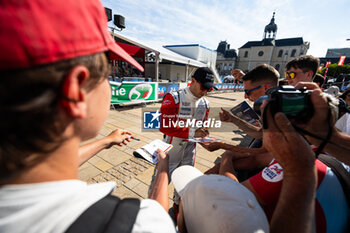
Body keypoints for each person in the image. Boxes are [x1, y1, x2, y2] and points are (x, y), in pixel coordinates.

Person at [0, 1, 176, 232]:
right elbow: (156, 220)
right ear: (77, 91)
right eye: (107, 74)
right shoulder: (135, 225)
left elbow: (40, 162)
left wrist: (105, 141)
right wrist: (163, 170)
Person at [149, 67, 216, 215]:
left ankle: (178, 210)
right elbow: (164, 126)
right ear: (193, 81)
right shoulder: (173, 98)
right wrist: (193, 131)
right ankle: (151, 215)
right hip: (169, 152)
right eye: (203, 87)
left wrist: (206, 137)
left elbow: (202, 128)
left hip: (189, 153)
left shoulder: (206, 104)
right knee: (158, 186)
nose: (205, 92)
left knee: (184, 186)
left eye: (209, 89)